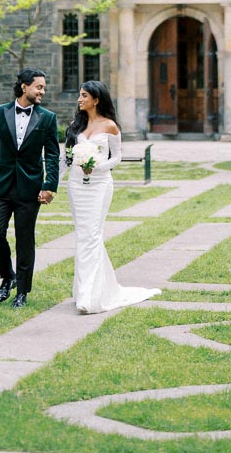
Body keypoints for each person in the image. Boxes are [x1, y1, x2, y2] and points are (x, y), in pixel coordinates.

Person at [64, 79, 161, 314]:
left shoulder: (111, 127)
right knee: (82, 235)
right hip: (76, 184)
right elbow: (65, 157)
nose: (79, 99)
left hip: (99, 184)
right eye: (79, 94)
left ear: (96, 100)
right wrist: (51, 185)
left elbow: (117, 157)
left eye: (84, 95)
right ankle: (85, 290)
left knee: (93, 235)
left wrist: (96, 167)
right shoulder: (76, 125)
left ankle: (90, 296)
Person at [0, 67, 60, 309]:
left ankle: (22, 291)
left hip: (30, 189)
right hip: (1, 186)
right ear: (24, 87)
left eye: (44, 87)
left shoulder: (48, 118)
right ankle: (7, 276)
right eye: (39, 87)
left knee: (24, 239)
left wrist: (49, 186)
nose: (43, 91)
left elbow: (52, 155)